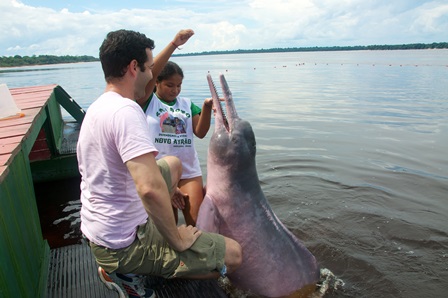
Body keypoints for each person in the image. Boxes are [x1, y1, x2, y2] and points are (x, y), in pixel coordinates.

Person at [77, 29, 242, 298]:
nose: (152, 74)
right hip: (123, 244)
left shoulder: (99, 106)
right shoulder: (126, 111)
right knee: (234, 255)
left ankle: (129, 258)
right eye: (149, 68)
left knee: (173, 163)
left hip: (99, 228)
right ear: (134, 68)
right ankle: (127, 276)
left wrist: (171, 189)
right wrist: (177, 239)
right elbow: (149, 190)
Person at [137, 60, 214, 226]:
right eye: (170, 85)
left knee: (197, 224)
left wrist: (207, 107)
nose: (175, 90)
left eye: (179, 85)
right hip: (160, 173)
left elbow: (200, 132)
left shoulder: (186, 104)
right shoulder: (147, 101)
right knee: (167, 227)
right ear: (156, 82)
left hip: (189, 170)